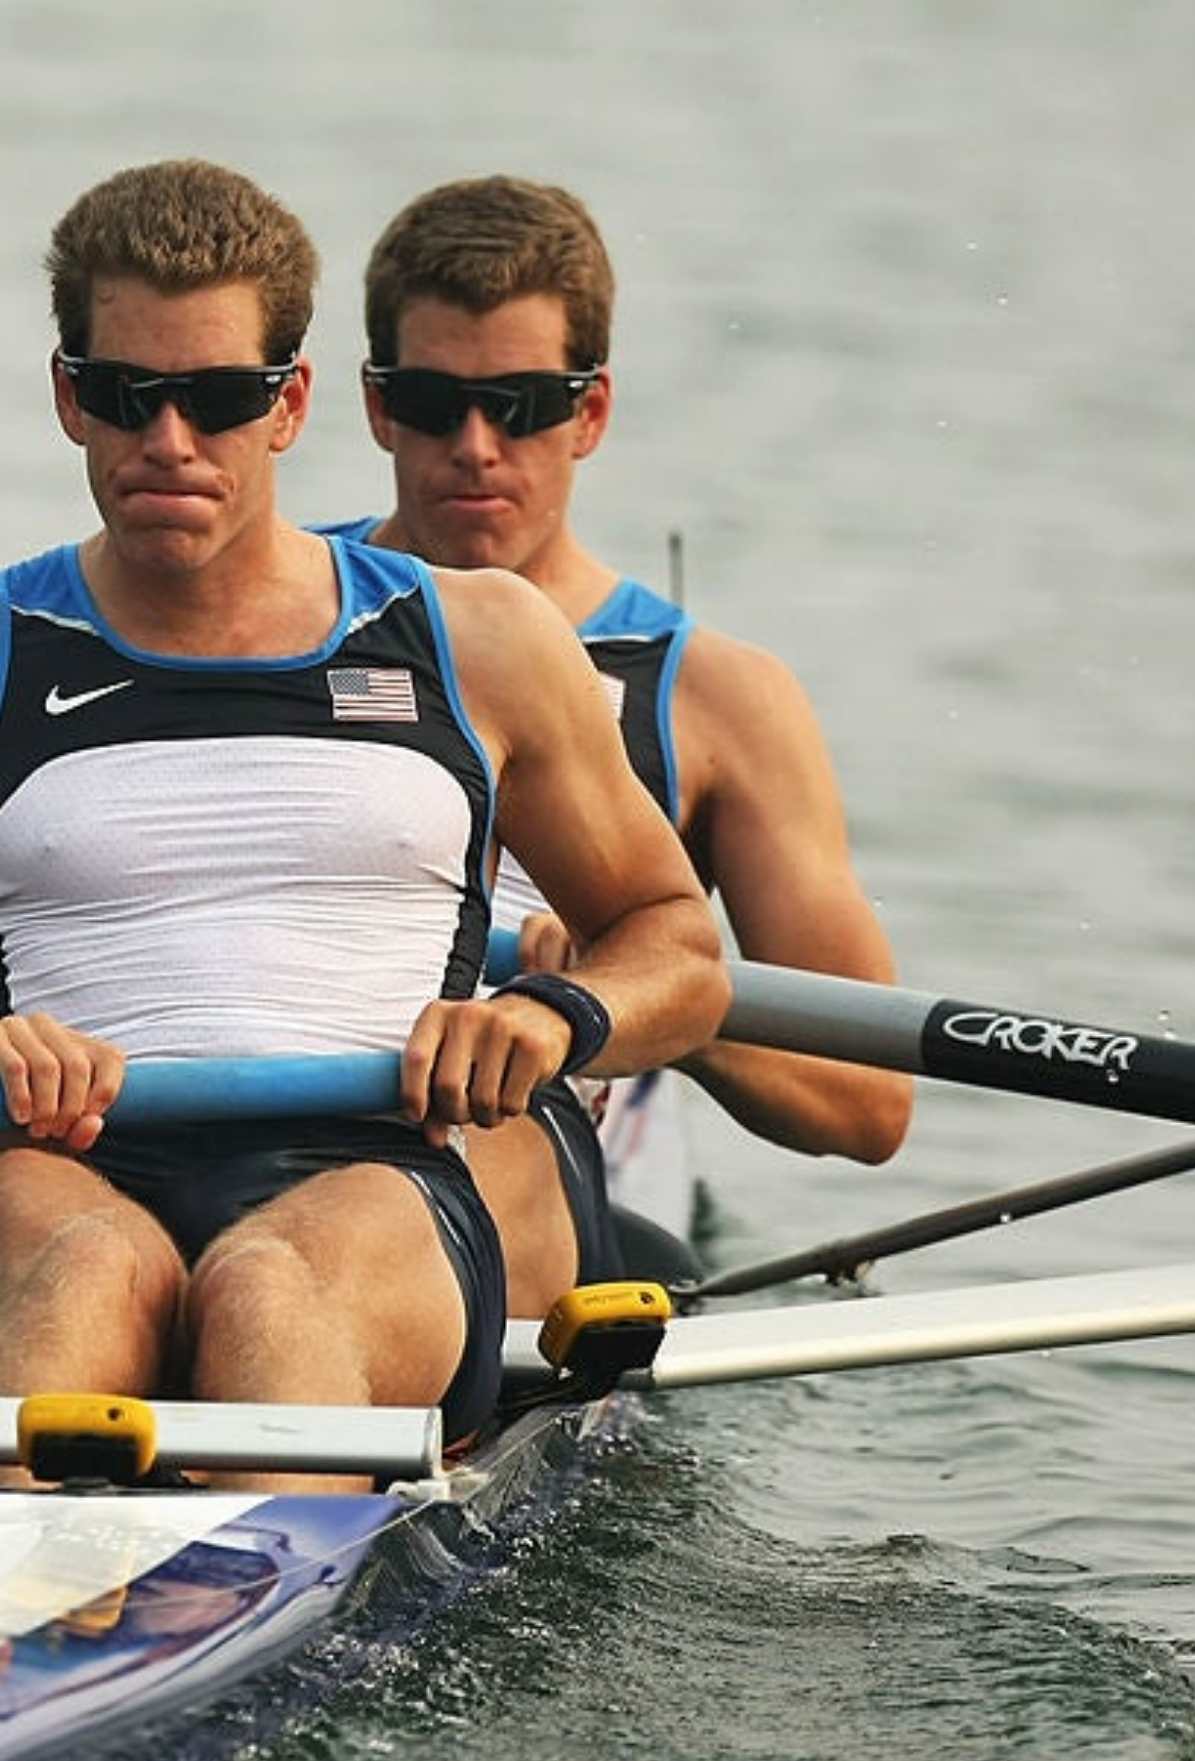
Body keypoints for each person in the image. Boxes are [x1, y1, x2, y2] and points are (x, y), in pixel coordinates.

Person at [0, 160, 726, 1482]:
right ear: (69, 396)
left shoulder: (479, 642)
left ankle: (197, 1589)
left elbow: (676, 947)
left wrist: (551, 1017)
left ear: (291, 403)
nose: (169, 439)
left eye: (219, 397)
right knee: (83, 1277)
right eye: (128, 395)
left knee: (263, 1295)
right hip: (55, 1169)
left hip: (373, 1171)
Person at [332, 175, 911, 1316]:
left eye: (526, 405)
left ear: (591, 413)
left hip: (531, 1168)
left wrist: (628, 999)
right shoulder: (253, 620)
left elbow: (867, 1103)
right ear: (376, 406)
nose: (477, 446)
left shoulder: (716, 701)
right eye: (435, 402)